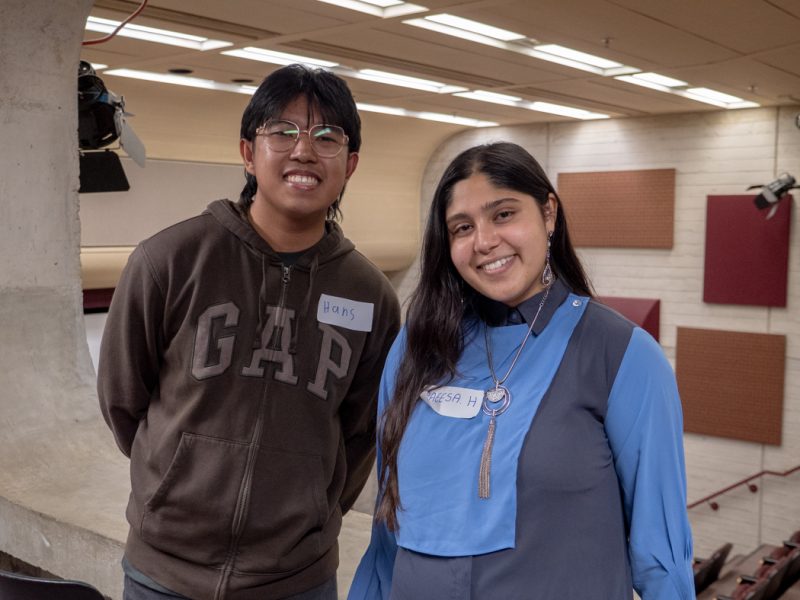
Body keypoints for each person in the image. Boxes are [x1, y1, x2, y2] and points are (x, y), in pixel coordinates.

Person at [98, 64, 401, 600]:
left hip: (297, 580)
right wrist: (178, 476)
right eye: (282, 132)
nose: (304, 152)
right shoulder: (169, 260)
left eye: (326, 137)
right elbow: (124, 402)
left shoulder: (370, 295)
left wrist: (312, 501)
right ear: (247, 152)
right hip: (163, 575)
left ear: (349, 164)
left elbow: (360, 433)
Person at [348, 142, 694, 599]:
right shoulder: (416, 349)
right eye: (463, 227)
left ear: (548, 213)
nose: (485, 241)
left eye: (504, 214)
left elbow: (660, 559)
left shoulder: (622, 356)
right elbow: (387, 534)